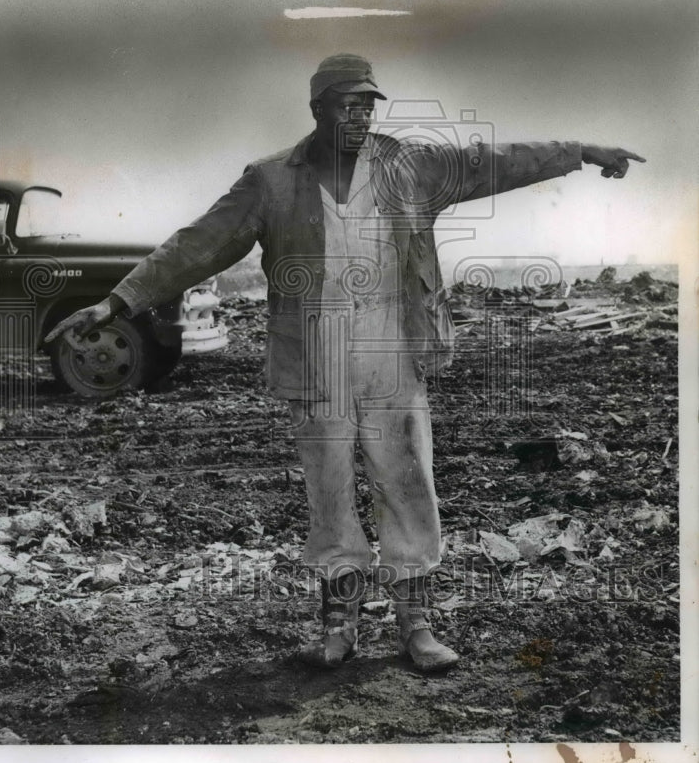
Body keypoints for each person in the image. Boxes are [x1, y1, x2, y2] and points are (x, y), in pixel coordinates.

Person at [46, 54, 645, 672]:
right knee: (329, 494)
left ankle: (418, 626)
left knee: (409, 485)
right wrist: (116, 302)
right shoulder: (271, 179)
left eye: (369, 104)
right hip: (316, 363)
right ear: (317, 108)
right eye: (347, 104)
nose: (361, 115)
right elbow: (199, 245)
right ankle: (340, 625)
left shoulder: (410, 166)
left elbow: (493, 161)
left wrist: (580, 152)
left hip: (393, 353)